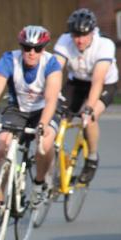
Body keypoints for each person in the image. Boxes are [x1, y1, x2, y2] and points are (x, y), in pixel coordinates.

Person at [0, 25, 62, 213]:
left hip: (43, 110)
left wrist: (42, 124)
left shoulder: (51, 64)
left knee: (45, 141)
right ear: (21, 46)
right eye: (27, 47)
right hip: (17, 108)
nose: (32, 53)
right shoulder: (9, 60)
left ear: (44, 49)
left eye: (38, 49)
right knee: (2, 144)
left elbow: (51, 99)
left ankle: (40, 183)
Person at [53, 8, 118, 184]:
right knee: (55, 113)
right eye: (76, 35)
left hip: (104, 84)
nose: (79, 40)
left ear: (93, 32)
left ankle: (92, 157)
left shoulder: (104, 45)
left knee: (88, 116)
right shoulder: (64, 41)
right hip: (77, 83)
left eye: (84, 35)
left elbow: (97, 80)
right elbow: (55, 72)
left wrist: (89, 108)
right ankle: (56, 159)